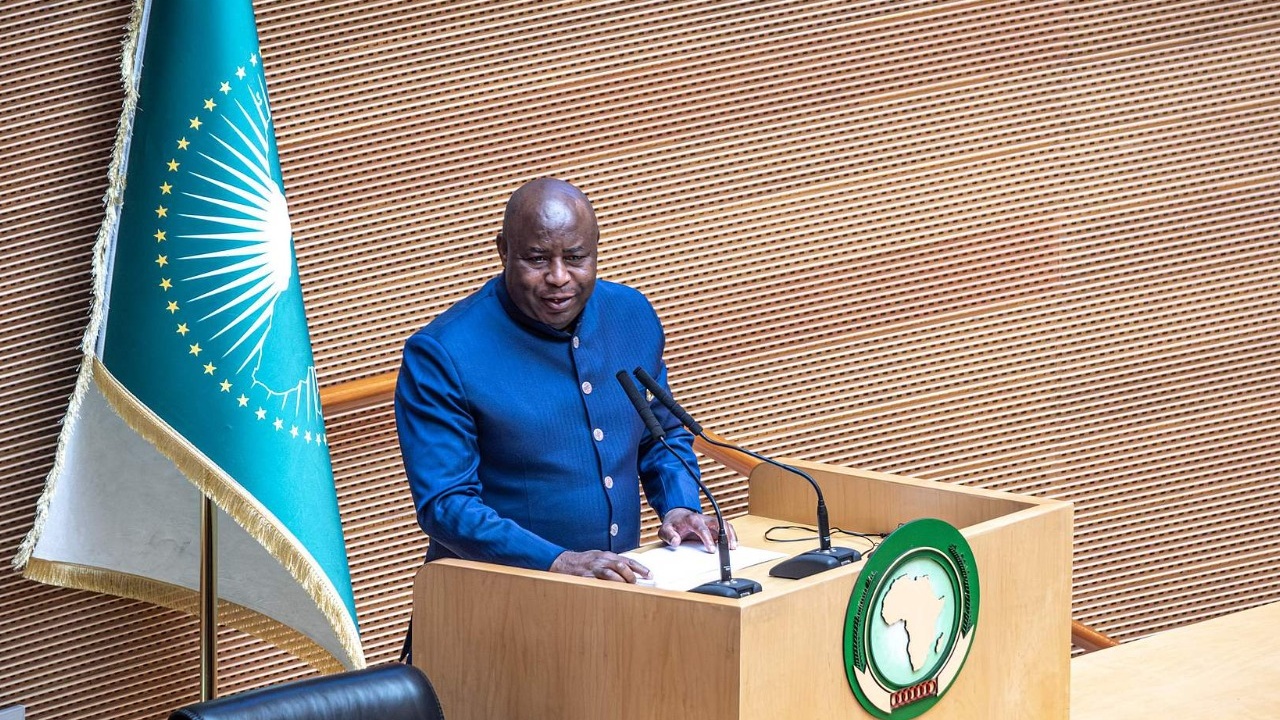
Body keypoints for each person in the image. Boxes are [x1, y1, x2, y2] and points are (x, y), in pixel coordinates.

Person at [394, 177, 734, 584]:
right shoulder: (442, 353)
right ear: (503, 250)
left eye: (575, 257)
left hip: (611, 598)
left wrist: (679, 507)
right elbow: (445, 505)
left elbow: (660, 436)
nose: (558, 277)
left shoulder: (632, 315)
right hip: (493, 607)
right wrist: (556, 560)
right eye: (537, 259)